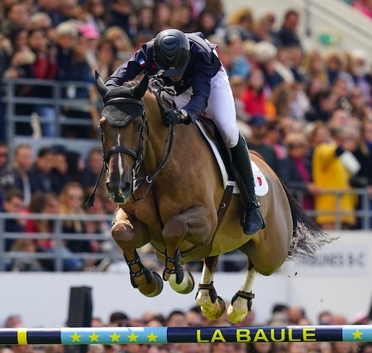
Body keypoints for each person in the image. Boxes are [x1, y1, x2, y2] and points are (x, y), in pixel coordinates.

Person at [104, 29, 265, 236]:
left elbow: (200, 98)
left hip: (209, 84)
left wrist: (183, 115)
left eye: (178, 69)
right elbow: (117, 77)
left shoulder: (201, 55)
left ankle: (252, 204)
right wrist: (112, 96)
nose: (176, 74)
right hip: (170, 88)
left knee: (229, 131)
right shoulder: (149, 51)